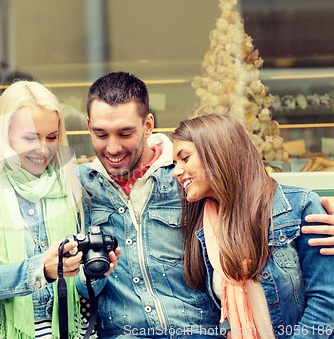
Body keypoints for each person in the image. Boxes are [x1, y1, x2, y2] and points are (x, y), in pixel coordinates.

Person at [0, 80, 106, 338]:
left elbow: (83, 290)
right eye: (31, 137)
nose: (43, 149)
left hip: (69, 328)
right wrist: (41, 269)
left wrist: (96, 272)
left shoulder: (73, 190)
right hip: (1, 329)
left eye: (52, 137)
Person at [76, 71, 221, 338]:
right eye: (100, 134)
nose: (113, 148)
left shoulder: (187, 174)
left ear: (148, 125)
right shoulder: (79, 186)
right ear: (88, 126)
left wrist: (318, 207)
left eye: (125, 133)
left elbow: (253, 194)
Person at [171, 114, 334, 338]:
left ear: (218, 153)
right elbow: (213, 315)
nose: (176, 171)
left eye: (185, 158)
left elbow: (326, 301)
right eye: (174, 163)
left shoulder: (300, 206)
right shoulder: (202, 226)